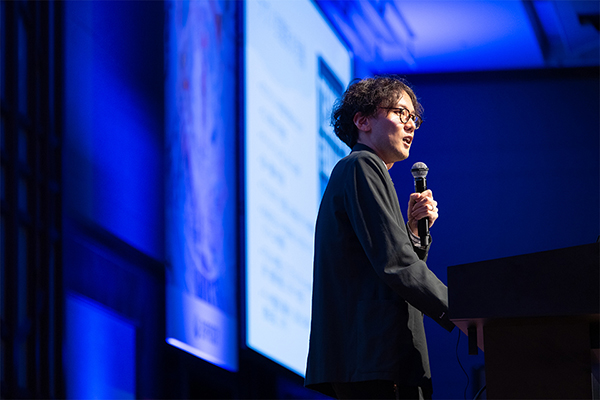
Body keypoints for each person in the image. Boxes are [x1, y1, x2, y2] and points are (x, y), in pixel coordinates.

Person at [305, 75, 455, 400]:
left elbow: (385, 266)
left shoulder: (364, 170)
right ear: (362, 121)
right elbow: (396, 265)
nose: (411, 125)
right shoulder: (361, 165)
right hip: (375, 358)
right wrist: (464, 310)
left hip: (376, 360)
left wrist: (414, 233)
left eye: (414, 117)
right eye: (401, 113)